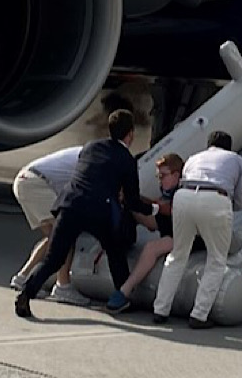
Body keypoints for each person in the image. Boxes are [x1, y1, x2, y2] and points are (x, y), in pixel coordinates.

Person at [14, 110, 158, 319]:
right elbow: (132, 200)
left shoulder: (90, 147)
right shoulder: (126, 159)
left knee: (54, 258)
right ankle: (121, 296)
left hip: (70, 204)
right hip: (99, 210)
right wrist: (152, 210)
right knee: (115, 249)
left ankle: (27, 293)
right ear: (130, 134)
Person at [150, 131, 242, 329]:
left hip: (183, 196)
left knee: (178, 254)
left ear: (209, 145)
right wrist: (227, 209)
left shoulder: (194, 158)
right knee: (216, 260)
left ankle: (160, 309)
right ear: (228, 147)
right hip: (215, 198)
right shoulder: (236, 159)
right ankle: (199, 315)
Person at [103, 152, 183, 314]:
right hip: (171, 228)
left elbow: (168, 209)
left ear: (176, 175)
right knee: (133, 210)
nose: (160, 180)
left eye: (163, 176)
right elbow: (157, 214)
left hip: (185, 235)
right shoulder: (169, 193)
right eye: (158, 176)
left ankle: (124, 291)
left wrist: (139, 200)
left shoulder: (182, 192)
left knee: (151, 248)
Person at [9, 145, 90, 305]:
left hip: (25, 180)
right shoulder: (91, 160)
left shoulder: (83, 152)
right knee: (64, 235)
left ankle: (22, 277)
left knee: (53, 237)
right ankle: (63, 286)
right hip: (36, 184)